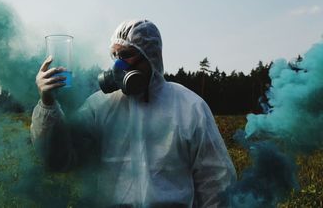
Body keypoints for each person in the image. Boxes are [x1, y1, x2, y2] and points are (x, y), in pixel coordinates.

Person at [31, 20, 236, 208]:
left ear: (151, 55)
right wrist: (47, 102)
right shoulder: (99, 106)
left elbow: (216, 182)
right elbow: (57, 159)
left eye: (126, 55)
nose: (118, 65)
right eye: (115, 56)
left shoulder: (190, 107)